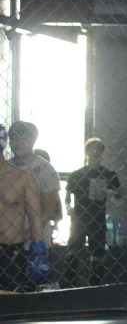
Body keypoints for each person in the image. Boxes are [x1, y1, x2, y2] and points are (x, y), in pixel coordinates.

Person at [65, 137, 123, 284]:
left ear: (102, 153)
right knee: (73, 251)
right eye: (91, 150)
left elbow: (119, 193)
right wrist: (68, 208)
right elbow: (67, 196)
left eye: (98, 150)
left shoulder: (108, 174)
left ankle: (95, 285)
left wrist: (108, 191)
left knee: (97, 253)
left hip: (98, 217)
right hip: (79, 217)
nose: (94, 153)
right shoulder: (77, 174)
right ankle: (70, 284)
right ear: (86, 152)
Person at [0, 125, 46, 292]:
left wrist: (39, 250)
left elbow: (35, 216)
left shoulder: (23, 178)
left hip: (11, 250)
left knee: (12, 301)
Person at [8, 121, 61, 248]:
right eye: (14, 139)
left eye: (24, 139)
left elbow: (49, 208)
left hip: (36, 241)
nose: (18, 143)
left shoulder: (45, 169)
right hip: (7, 237)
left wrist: (28, 234)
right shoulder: (5, 167)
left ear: (33, 141)